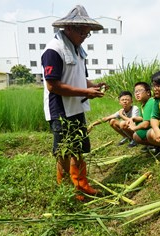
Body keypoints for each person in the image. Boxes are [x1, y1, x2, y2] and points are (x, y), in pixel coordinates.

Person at [41, 5, 106, 197]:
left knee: (78, 148)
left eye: (87, 33)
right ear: (68, 28)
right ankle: (66, 190)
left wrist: (92, 85)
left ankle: (81, 187)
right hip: (60, 109)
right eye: (81, 32)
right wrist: (85, 91)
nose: (85, 35)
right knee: (63, 152)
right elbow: (52, 86)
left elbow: (78, 78)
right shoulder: (54, 50)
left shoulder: (78, 50)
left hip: (76, 106)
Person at [127, 82, 160, 153]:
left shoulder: (150, 102)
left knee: (136, 136)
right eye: (135, 91)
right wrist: (133, 118)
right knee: (137, 124)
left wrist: (134, 128)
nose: (137, 93)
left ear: (148, 92)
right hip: (156, 127)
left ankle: (159, 145)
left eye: (139, 91)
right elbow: (143, 118)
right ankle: (154, 144)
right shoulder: (144, 104)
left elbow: (146, 123)